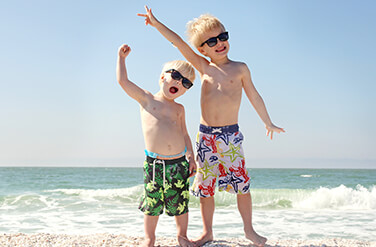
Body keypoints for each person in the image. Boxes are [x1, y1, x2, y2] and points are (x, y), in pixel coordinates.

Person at [138, 6, 285, 247]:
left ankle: (249, 230)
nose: (219, 44)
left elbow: (254, 96)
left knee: (241, 184)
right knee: (205, 188)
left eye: (223, 37)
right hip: (206, 137)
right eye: (212, 41)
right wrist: (155, 23)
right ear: (201, 49)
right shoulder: (204, 68)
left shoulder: (240, 69)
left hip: (230, 137)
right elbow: (178, 44)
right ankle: (207, 232)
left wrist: (267, 122)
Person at [116, 44, 198, 247]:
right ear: (163, 77)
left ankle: (182, 237)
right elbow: (123, 81)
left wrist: (191, 156)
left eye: (186, 82)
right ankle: (149, 239)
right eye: (176, 76)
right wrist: (121, 58)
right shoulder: (146, 99)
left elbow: (185, 133)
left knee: (180, 202)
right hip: (154, 164)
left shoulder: (179, 108)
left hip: (178, 163)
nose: (179, 82)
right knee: (152, 203)